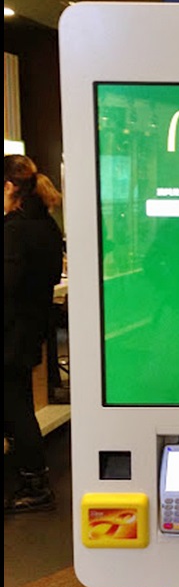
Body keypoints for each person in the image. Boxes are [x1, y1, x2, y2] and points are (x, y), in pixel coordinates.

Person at [4, 155, 64, 513]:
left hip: (10, 331)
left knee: (16, 405)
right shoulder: (46, 225)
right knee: (19, 401)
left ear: (10, 187)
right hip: (30, 329)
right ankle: (29, 471)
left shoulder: (14, 229)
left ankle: (34, 482)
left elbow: (7, 281)